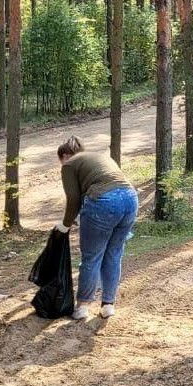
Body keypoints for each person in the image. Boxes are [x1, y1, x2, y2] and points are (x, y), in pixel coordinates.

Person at [54, 136, 139, 320]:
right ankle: (108, 305)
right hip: (130, 199)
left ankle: (82, 307)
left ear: (64, 156)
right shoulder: (99, 158)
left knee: (92, 257)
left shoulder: (69, 164)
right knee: (114, 254)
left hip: (103, 202)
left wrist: (65, 225)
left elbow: (74, 199)